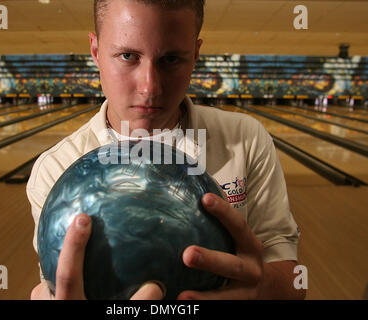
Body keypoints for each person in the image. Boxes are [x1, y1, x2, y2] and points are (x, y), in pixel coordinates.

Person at [28, 0, 306, 300]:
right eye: (127, 56)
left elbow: (295, 281)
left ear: (195, 53)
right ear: (96, 52)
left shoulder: (246, 139)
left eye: (171, 59)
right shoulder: (56, 169)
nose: (150, 87)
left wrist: (260, 288)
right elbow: (58, 285)